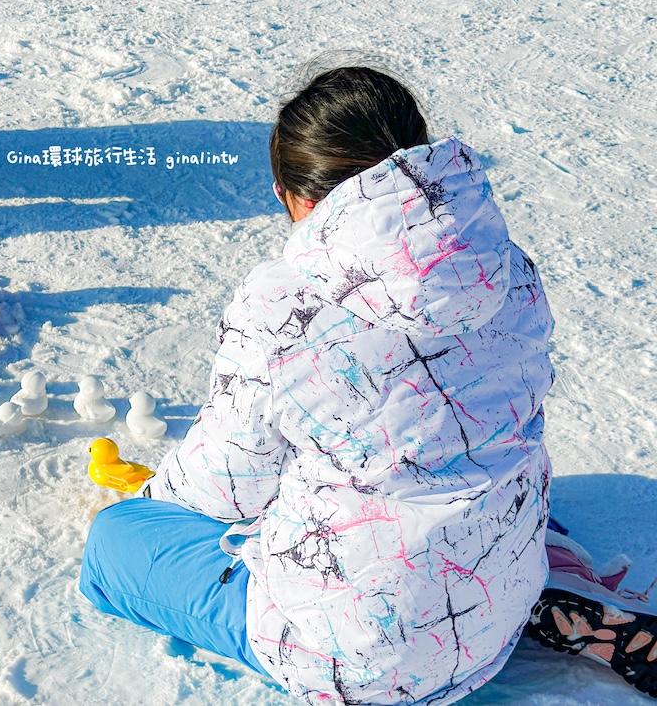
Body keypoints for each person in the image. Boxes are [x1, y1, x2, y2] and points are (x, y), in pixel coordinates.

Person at [79, 65, 656, 703]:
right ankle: (532, 585)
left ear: (292, 196)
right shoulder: (506, 270)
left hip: (364, 659)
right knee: (465, 480)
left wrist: (156, 498)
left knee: (116, 542)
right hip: (497, 592)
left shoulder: (283, 306)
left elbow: (226, 486)